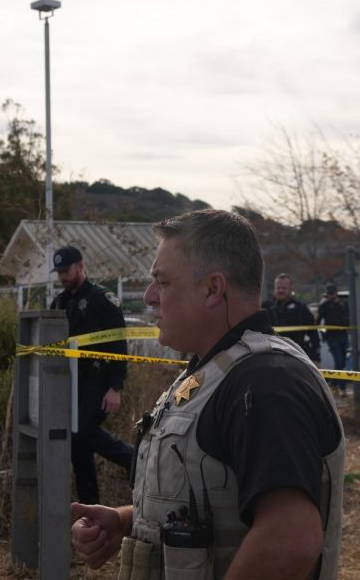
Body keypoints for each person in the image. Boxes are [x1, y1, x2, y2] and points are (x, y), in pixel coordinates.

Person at [71, 209, 344, 580]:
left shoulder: (266, 383)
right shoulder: (213, 373)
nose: (150, 297)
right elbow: (218, 502)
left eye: (162, 282)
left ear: (213, 289)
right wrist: (125, 521)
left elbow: (291, 539)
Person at [50, 245, 135, 505]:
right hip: (72, 381)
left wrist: (115, 387)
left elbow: (119, 343)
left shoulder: (102, 299)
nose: (63, 277)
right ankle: (90, 509)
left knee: (83, 430)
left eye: (67, 270)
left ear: (80, 266)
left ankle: (133, 460)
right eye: (60, 272)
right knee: (78, 446)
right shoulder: (60, 302)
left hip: (99, 376)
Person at [262, 273, 320, 359]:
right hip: (271, 356)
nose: (281, 290)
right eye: (278, 288)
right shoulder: (266, 308)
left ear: (291, 289)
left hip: (296, 356)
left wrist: (316, 358)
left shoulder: (301, 308)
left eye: (284, 288)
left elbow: (313, 335)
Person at [318, 284, 351, 393]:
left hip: (343, 335)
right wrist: (323, 334)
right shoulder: (324, 306)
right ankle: (342, 387)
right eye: (329, 294)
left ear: (336, 293)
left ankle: (335, 383)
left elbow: (349, 318)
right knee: (338, 360)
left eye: (332, 293)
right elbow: (317, 323)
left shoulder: (343, 304)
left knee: (342, 363)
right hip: (332, 336)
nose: (331, 296)